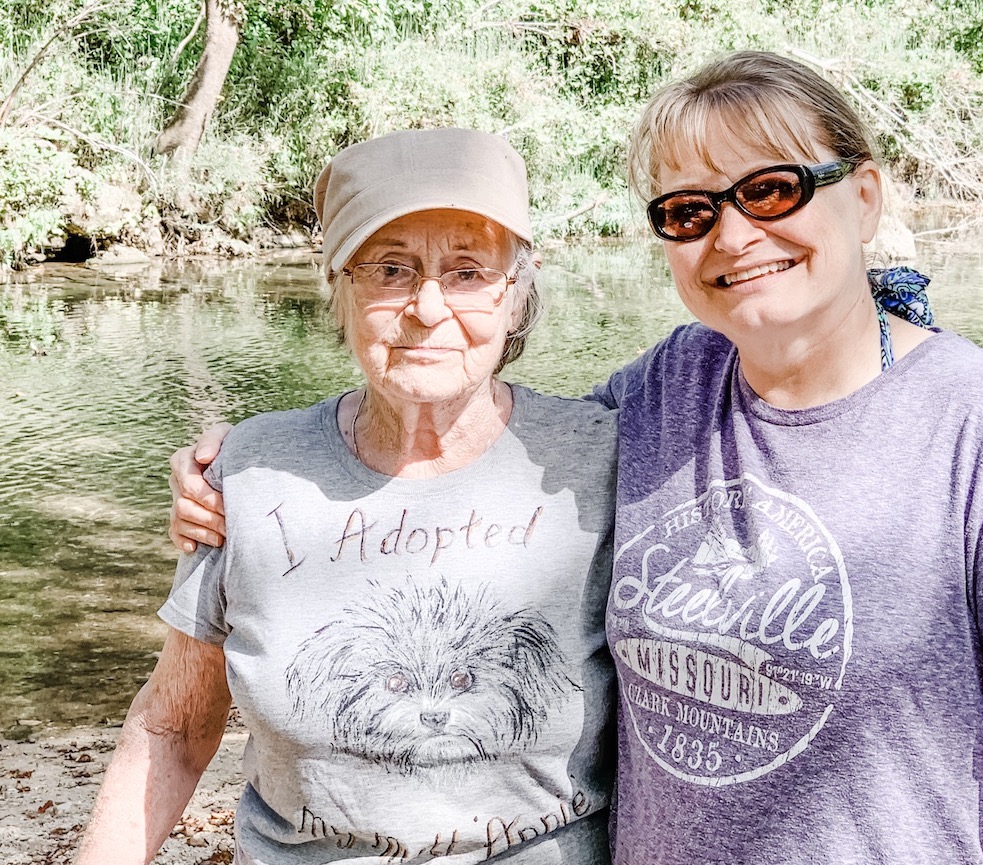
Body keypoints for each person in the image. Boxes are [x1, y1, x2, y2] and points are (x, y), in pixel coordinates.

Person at [169, 52, 983, 863]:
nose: (735, 234)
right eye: (689, 210)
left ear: (864, 196)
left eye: (773, 189)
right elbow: (473, 436)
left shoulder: (977, 429)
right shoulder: (662, 391)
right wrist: (241, 471)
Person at [76, 128, 618, 865]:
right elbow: (174, 727)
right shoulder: (252, 471)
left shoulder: (605, 457)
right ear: (339, 285)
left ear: (517, 291)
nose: (428, 306)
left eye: (468, 271)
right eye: (391, 269)